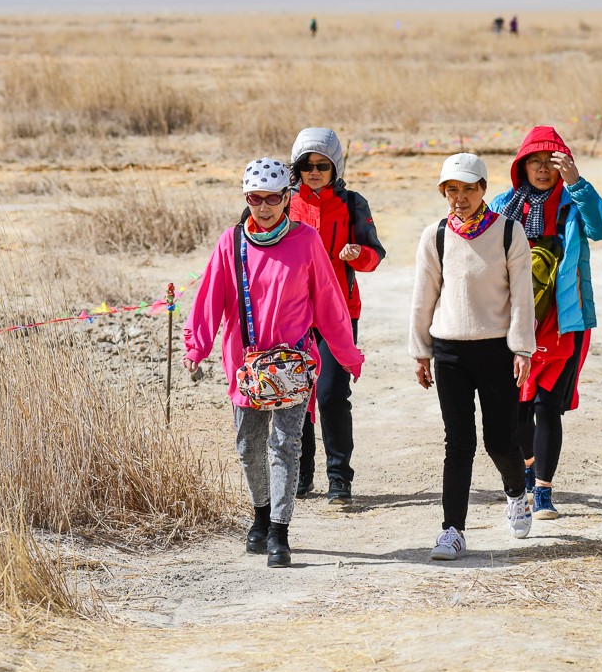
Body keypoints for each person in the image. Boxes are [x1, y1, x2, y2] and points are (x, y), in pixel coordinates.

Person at [184, 158, 364, 568]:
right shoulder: (231, 243)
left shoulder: (307, 241)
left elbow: (330, 305)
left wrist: (347, 355)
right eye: (254, 199)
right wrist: (197, 348)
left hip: (294, 368)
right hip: (245, 368)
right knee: (248, 447)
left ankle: (280, 532)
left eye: (271, 199)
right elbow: (209, 300)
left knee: (285, 446)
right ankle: (260, 516)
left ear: (287, 198)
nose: (263, 207)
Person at [409, 152, 535, 561]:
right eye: (451, 190)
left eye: (467, 189)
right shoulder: (436, 236)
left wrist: (521, 348)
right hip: (449, 351)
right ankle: (452, 530)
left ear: (484, 189)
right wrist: (420, 352)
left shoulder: (508, 233)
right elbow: (422, 297)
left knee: (500, 441)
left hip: (497, 349)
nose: (459, 198)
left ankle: (517, 492)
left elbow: (522, 297)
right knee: (458, 443)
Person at [487, 127, 602, 521]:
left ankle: (542, 491)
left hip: (565, 320)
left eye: (551, 162)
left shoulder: (574, 203)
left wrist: (578, 183)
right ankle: (527, 470)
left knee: (548, 406)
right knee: (518, 408)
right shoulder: (502, 204)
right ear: (521, 165)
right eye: (535, 161)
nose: (543, 170)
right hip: (514, 319)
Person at [287, 128, 385, 504]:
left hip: (339, 313)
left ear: (335, 166)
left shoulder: (353, 203)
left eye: (322, 165)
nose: (314, 172)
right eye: (306, 165)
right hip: (291, 315)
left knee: (330, 394)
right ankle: (301, 473)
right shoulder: (284, 202)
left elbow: (375, 254)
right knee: (296, 396)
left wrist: (356, 254)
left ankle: (339, 479)